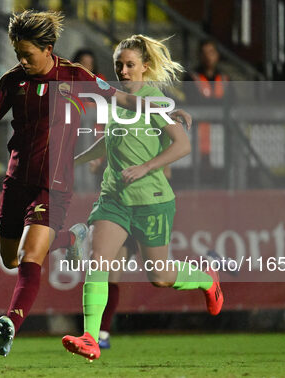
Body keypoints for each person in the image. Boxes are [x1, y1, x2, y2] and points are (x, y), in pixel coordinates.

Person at [0, 10, 191, 358]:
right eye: (18, 53)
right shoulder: (11, 81)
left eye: (27, 54)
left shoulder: (76, 77)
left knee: (29, 256)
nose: (22, 60)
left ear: (47, 48)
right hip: (16, 182)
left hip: (53, 184)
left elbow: (123, 99)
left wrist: (166, 113)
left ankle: (11, 324)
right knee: (10, 258)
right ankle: (71, 237)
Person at [61, 34, 223, 361]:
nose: (123, 70)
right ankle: (91, 337)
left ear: (145, 68)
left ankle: (206, 279)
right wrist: (73, 160)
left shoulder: (154, 101)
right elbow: (111, 140)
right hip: (114, 198)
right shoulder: (117, 100)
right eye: (119, 64)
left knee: (160, 277)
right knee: (98, 262)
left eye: (130, 65)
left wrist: (146, 166)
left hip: (152, 200)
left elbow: (183, 145)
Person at [183, 40, 232, 169]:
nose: (208, 57)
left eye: (211, 52)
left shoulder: (225, 78)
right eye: (204, 53)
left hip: (221, 133)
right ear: (199, 55)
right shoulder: (191, 77)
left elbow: (232, 101)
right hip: (198, 133)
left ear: (217, 55)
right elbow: (194, 100)